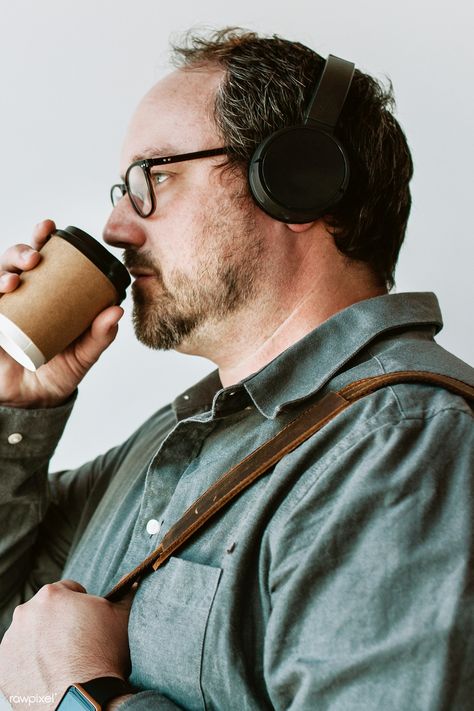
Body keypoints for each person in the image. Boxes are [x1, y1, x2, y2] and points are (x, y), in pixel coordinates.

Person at [0, 27, 473, 711]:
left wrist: (80, 696)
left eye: (154, 177)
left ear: (297, 181)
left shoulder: (403, 443)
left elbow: (48, 672)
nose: (116, 226)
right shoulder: (174, 440)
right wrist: (20, 407)